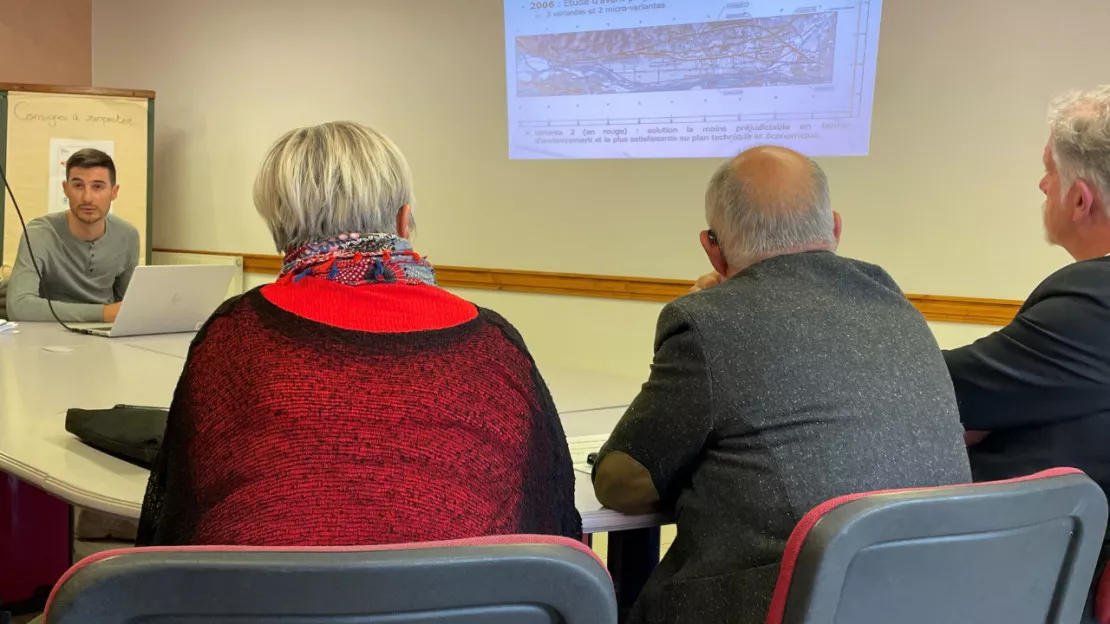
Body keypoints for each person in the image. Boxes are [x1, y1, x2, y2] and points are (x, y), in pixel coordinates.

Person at [136, 121, 581, 546]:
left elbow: (177, 521)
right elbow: (552, 518)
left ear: (279, 232)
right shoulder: (493, 346)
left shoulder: (233, 338)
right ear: (404, 222)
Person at [592, 146, 971, 624]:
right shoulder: (893, 303)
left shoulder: (707, 320)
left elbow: (622, 482)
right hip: (925, 600)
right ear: (834, 228)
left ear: (713, 248)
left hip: (780, 605)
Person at [944, 85, 1110, 613]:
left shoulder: (1092, 301)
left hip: (1023, 581)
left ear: (1081, 198)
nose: (1042, 184)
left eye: (1050, 172)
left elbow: (941, 391)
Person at [5, 148, 139, 322]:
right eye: (78, 186)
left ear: (114, 192)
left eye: (98, 187)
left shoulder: (128, 236)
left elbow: (127, 305)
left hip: (105, 336)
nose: (87, 198)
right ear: (65, 189)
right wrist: (103, 313)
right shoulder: (39, 233)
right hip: (47, 336)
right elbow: (19, 306)